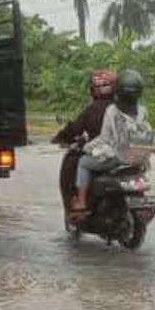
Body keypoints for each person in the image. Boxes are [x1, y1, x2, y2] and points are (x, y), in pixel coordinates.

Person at [71, 69, 154, 216]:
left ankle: (82, 201)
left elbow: (105, 138)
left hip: (118, 158)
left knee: (83, 162)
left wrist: (87, 147)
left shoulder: (112, 111)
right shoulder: (143, 110)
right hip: (140, 159)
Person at [53, 69, 117, 211]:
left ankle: (81, 201)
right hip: (126, 154)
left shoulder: (93, 109)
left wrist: (61, 137)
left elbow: (75, 128)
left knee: (81, 163)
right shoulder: (126, 108)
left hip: (102, 153)